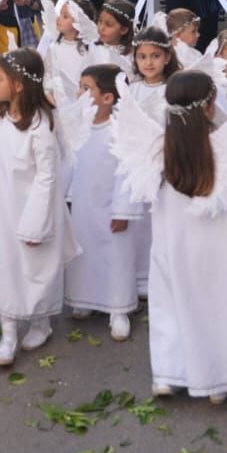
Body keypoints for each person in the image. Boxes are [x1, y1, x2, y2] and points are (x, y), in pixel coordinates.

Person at [111, 69, 227, 402]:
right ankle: (218, 377)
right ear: (209, 105)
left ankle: (169, 373)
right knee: (218, 302)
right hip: (216, 242)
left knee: (171, 304)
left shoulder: (156, 147)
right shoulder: (221, 145)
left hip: (172, 242)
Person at [0, 49, 75, 367]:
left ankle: (40, 322)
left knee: (36, 267)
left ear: (20, 85)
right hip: (8, 208)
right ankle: (8, 332)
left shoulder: (41, 125)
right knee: (8, 263)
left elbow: (48, 176)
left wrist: (36, 222)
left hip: (35, 209)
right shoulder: (1, 117)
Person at [63, 63, 141, 342]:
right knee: (82, 249)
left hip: (111, 206)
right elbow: (69, 161)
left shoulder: (119, 130)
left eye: (86, 88)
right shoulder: (78, 127)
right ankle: (84, 298)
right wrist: (66, 196)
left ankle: (117, 308)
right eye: (80, 86)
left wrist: (122, 210)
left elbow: (127, 171)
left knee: (115, 255)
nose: (79, 91)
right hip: (84, 204)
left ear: (108, 98)